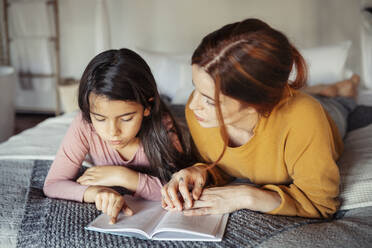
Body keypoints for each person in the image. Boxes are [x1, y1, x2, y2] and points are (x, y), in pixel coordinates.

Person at [161, 18, 359, 219]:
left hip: (325, 115)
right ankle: (322, 89)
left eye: (210, 101)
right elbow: (224, 165)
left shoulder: (305, 120)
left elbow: (321, 204)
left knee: (339, 104)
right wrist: (200, 171)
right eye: (195, 87)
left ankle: (341, 89)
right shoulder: (199, 114)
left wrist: (247, 196)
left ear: (253, 106)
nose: (193, 104)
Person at [43, 48, 194, 224]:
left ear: (147, 107)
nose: (113, 131)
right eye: (100, 119)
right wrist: (96, 192)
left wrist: (122, 176)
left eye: (126, 118)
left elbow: (181, 189)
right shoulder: (85, 124)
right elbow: (53, 184)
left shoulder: (163, 126)